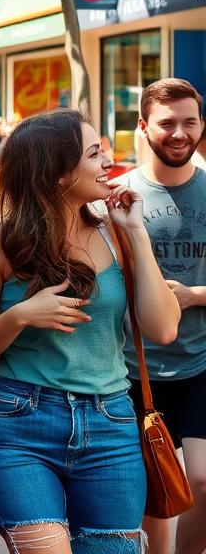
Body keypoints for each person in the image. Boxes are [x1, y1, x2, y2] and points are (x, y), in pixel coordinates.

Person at [0, 108, 180, 554]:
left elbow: (164, 327)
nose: (107, 163)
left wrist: (136, 234)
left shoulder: (116, 233)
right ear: (58, 172)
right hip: (21, 425)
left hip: (112, 426)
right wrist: (20, 316)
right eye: (95, 154)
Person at [112, 79, 206, 554]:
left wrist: (194, 295)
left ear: (202, 125)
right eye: (167, 123)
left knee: (204, 481)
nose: (179, 132)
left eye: (189, 121)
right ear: (143, 127)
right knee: (156, 489)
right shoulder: (116, 197)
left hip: (200, 362)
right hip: (131, 368)